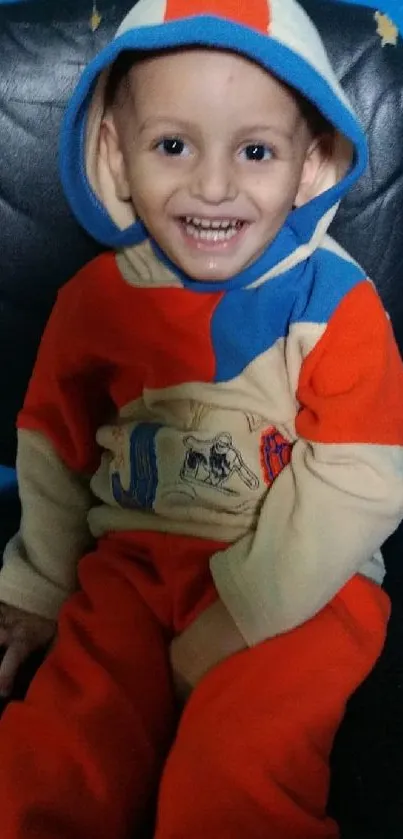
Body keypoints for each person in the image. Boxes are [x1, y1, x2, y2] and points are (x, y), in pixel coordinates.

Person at [0, 0, 402, 837]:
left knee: (233, 777)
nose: (212, 186)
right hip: (133, 570)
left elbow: (359, 478)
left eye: (254, 151)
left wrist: (238, 615)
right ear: (117, 155)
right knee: (60, 756)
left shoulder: (337, 302)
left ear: (310, 162)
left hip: (299, 586)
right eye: (172, 146)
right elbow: (53, 447)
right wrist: (37, 588)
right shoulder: (95, 301)